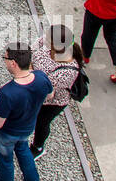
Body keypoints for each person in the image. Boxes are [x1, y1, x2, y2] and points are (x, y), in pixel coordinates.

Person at [0, 44, 52, 181]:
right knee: (24, 152)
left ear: (13, 63)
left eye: (5, 58)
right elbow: (50, 95)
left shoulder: (8, 92)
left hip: (7, 133)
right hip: (27, 128)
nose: (4, 61)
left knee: (5, 160)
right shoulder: (41, 78)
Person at [29, 23, 82, 155]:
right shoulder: (46, 42)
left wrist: (29, 70)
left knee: (41, 123)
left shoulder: (67, 71)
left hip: (52, 103)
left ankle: (38, 147)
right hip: (36, 90)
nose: (44, 38)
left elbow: (46, 91)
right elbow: (30, 50)